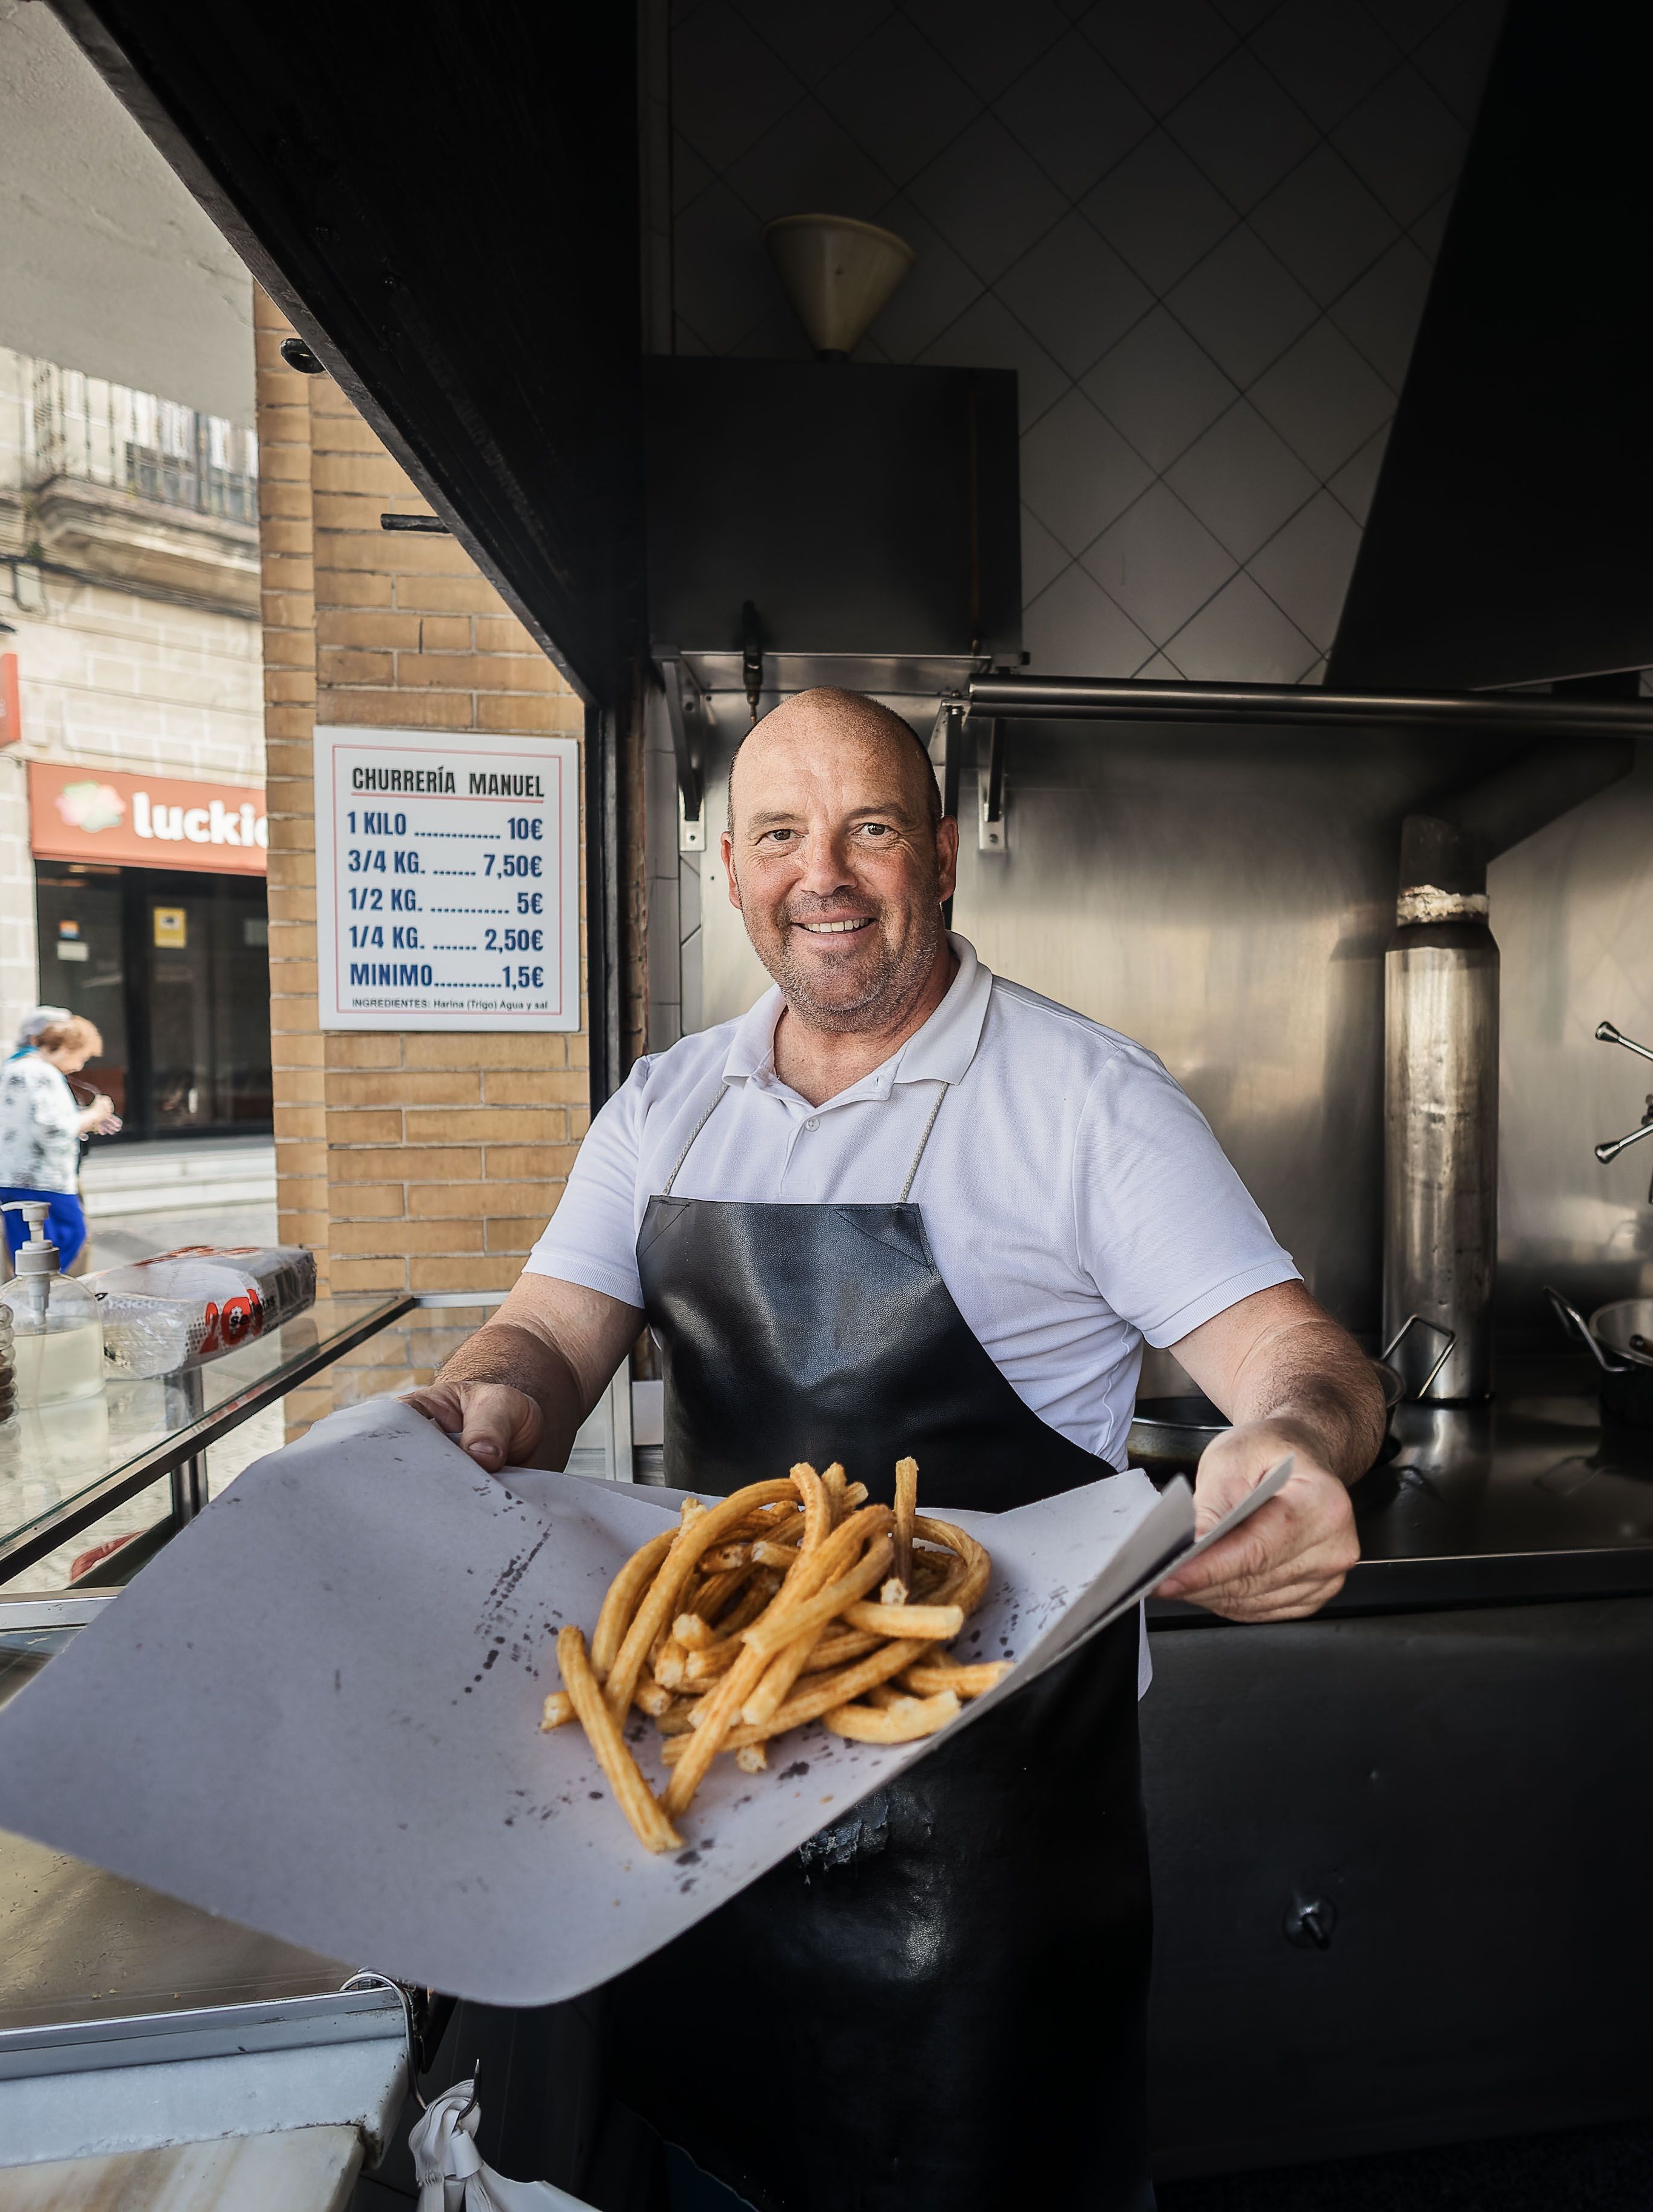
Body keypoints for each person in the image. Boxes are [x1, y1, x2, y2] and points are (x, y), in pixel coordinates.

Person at [401, 686, 1383, 2212]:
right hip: (706, 1787)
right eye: (783, 834)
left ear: (935, 854)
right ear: (730, 866)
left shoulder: (1087, 1104)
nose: (825, 875)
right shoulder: (665, 1107)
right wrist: (478, 1403)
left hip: (986, 1830)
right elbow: (542, 1336)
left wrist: (1298, 1445)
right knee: (697, 2158)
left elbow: (1295, 1359)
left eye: (867, 828)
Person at [0, 1011, 122, 1273]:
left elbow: (34, 1123)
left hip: (9, 1174)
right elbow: (54, 1130)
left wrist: (85, 1119)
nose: (80, 1066)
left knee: (27, 1246)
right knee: (69, 1236)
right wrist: (94, 1113)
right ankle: (41, 1299)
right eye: (82, 1056)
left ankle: (34, 1299)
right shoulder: (41, 1072)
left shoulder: (17, 1067)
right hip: (37, 1178)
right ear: (66, 1048)